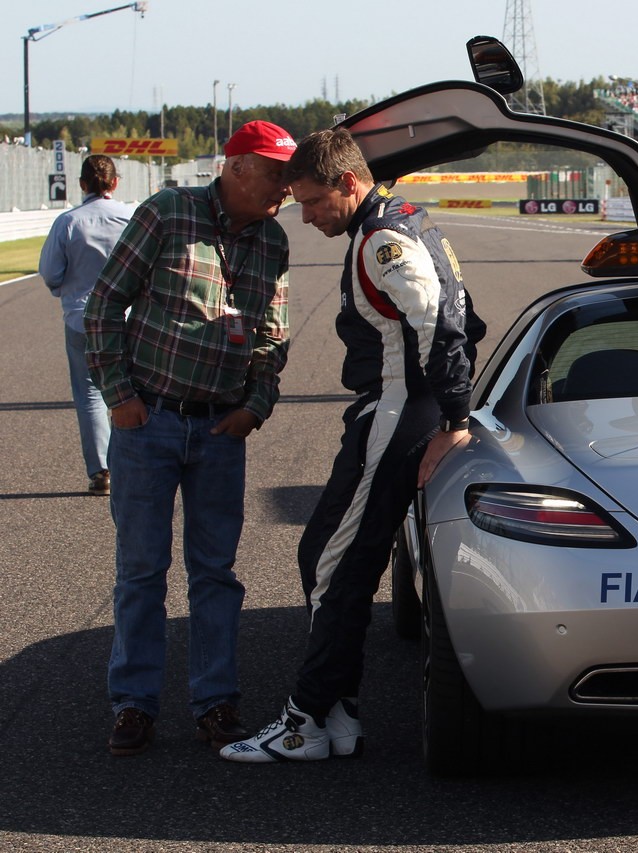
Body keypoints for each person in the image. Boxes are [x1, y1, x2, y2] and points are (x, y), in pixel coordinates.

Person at [222, 127, 481, 763]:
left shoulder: (385, 237)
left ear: (348, 183)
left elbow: (444, 325)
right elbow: (466, 317)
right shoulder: (402, 220)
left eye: (311, 202)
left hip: (401, 409)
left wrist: (452, 419)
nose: (305, 217)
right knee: (323, 554)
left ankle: (306, 720)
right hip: (392, 407)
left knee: (336, 566)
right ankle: (338, 713)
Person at [83, 120, 295, 756]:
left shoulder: (273, 240)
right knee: (142, 570)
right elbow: (102, 306)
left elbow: (271, 336)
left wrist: (254, 406)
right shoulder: (167, 213)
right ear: (235, 168)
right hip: (148, 421)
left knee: (215, 573)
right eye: (276, 173)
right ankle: (134, 705)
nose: (286, 187)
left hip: (220, 430)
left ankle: (215, 703)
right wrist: (119, 396)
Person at [38, 155, 133, 496]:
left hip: (82, 318)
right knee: (134, 390)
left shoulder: (68, 222)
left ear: (82, 184)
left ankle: (102, 471)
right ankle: (137, 463)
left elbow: (50, 272)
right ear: (115, 182)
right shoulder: (131, 217)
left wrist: (65, 288)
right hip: (129, 317)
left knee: (90, 396)